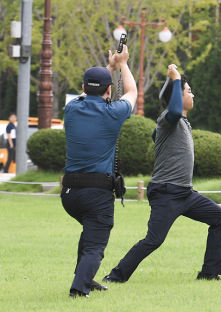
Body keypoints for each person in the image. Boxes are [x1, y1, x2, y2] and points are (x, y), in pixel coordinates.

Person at [103, 64, 221, 283]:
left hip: (186, 194)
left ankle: (210, 273)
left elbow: (156, 136)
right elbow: (171, 113)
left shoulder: (177, 123)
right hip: (166, 193)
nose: (193, 94)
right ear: (178, 97)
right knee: (153, 240)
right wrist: (176, 79)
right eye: (188, 91)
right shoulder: (168, 118)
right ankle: (115, 276)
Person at [60, 45, 137, 298]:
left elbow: (93, 87)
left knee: (88, 234)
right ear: (108, 90)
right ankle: (78, 289)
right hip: (97, 194)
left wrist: (110, 67)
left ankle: (86, 278)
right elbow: (132, 92)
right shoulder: (113, 113)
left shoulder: (72, 109)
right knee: (95, 245)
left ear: (83, 88)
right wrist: (123, 63)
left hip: (69, 194)